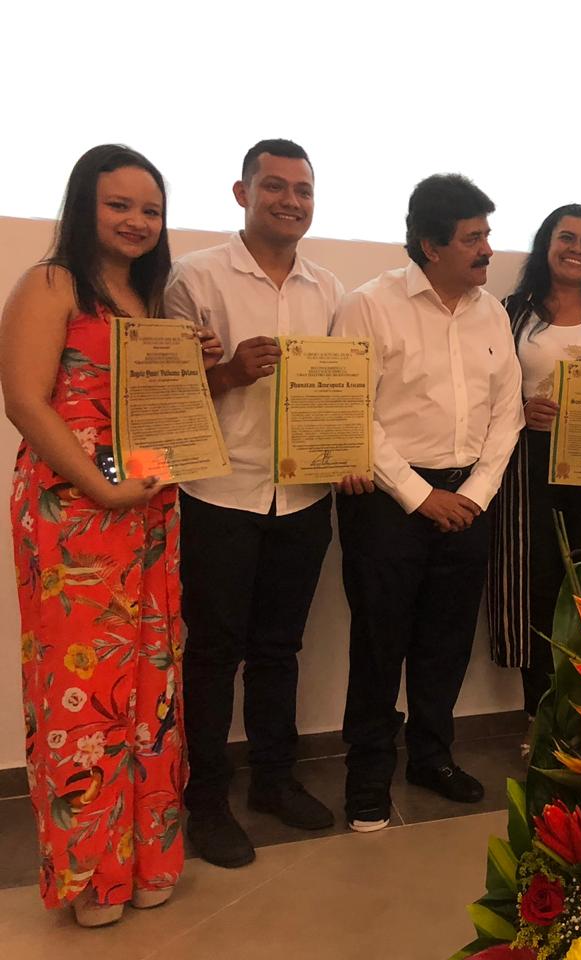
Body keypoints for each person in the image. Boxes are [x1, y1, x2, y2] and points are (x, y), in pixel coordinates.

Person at [1, 145, 219, 925]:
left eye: (150, 209)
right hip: (74, 513)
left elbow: (154, 410)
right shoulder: (52, 282)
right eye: (118, 204)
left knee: (151, 684)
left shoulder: (152, 298)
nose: (136, 221)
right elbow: (25, 401)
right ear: (82, 205)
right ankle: (94, 876)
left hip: (148, 506)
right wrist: (101, 489)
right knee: (83, 691)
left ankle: (149, 856)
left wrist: (196, 369)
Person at [163, 139, 358, 869]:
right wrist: (228, 373)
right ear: (241, 193)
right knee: (213, 654)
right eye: (274, 186)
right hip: (218, 492)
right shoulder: (195, 276)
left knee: (280, 648)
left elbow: (339, 391)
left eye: (303, 190)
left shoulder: (329, 289)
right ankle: (206, 802)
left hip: (302, 497)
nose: (290, 201)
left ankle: (274, 781)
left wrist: (344, 450)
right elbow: (163, 396)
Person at [334, 174, 523, 830]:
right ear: (430, 245)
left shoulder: (492, 312)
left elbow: (507, 413)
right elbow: (353, 410)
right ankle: (367, 775)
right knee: (379, 641)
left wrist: (472, 494)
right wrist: (421, 497)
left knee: (446, 641)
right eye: (473, 238)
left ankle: (431, 758)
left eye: (487, 234)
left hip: (468, 499)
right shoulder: (370, 304)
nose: (488, 249)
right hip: (388, 501)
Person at [486, 204, 581, 724]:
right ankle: (541, 714)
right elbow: (488, 389)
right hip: (526, 468)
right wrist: (521, 410)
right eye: (566, 238)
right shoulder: (512, 311)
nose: (577, 250)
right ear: (546, 245)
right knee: (535, 585)